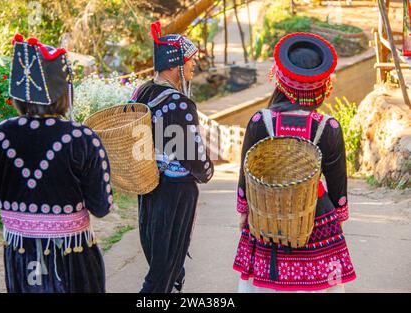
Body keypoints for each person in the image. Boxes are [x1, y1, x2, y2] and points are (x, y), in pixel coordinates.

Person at [0, 34, 113, 293]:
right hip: (72, 257)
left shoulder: (0, 134)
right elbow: (102, 206)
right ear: (64, 92)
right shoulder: (81, 137)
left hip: (20, 255)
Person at [233, 32, 356, 292]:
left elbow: (246, 173)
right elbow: (338, 186)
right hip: (314, 214)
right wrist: (337, 218)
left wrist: (244, 210)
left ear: (281, 81)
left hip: (266, 214)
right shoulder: (328, 127)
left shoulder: (260, 121)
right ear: (321, 86)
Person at [131, 21, 214, 293]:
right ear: (172, 65)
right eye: (189, 61)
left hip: (149, 186)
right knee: (163, 270)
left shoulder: (142, 92)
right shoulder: (178, 103)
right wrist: (206, 171)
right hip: (175, 192)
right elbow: (191, 153)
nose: (192, 66)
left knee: (158, 257)